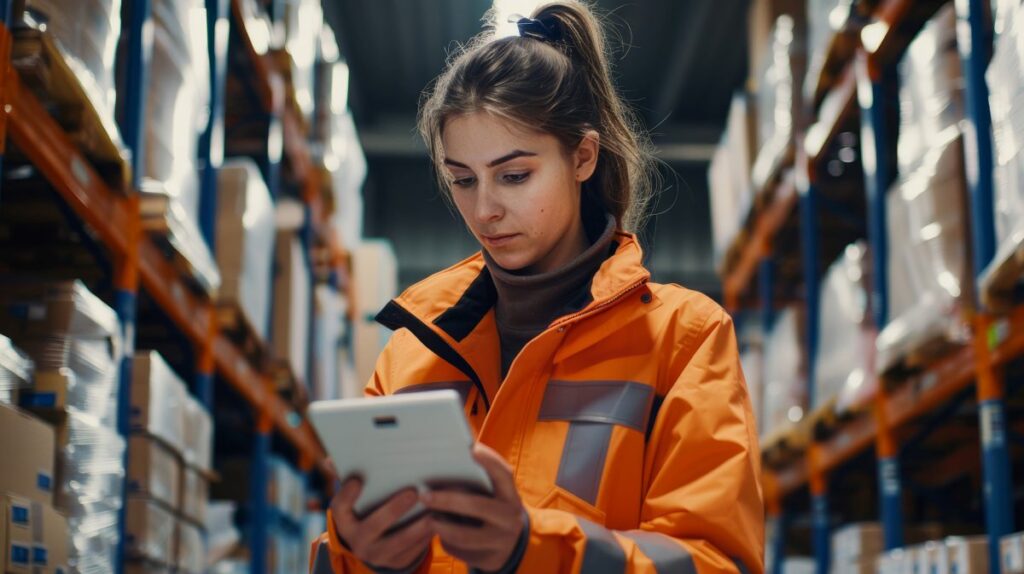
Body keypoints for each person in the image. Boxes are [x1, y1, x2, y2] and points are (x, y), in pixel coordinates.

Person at [310, 2, 764, 572]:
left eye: (515, 176)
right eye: (462, 180)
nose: (485, 209)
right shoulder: (410, 352)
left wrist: (532, 549)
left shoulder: (684, 339)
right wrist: (361, 553)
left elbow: (718, 562)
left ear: (582, 157)